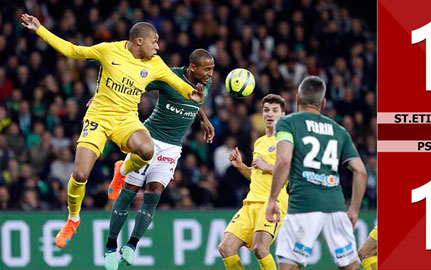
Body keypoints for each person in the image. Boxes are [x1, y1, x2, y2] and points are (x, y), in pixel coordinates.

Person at [20, 13, 204, 249]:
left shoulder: (155, 64)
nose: (158, 47)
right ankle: (73, 219)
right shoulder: (109, 51)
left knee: (147, 150)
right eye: (154, 41)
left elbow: (175, 82)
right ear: (139, 41)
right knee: (80, 175)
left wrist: (191, 94)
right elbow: (73, 51)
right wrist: (39, 29)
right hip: (98, 117)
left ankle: (123, 169)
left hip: (126, 120)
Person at [104, 49, 215, 270]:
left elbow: (194, 102)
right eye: (207, 69)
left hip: (172, 148)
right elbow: (136, 84)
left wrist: (204, 119)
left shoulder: (205, 82)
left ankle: (132, 245)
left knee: (153, 194)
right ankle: (109, 246)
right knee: (129, 192)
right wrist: (107, 98)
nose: (211, 74)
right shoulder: (168, 76)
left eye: (212, 69)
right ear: (192, 67)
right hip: (148, 139)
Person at [266, 76, 367, 270]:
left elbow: (284, 159)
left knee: (289, 265)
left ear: (297, 99)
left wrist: (272, 199)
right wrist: (353, 210)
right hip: (336, 206)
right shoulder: (339, 131)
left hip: (303, 205)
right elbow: (360, 171)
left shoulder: (287, 123)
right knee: (351, 266)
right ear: (323, 103)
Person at [218, 94, 288, 270]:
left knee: (260, 248)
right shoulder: (259, 142)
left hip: (273, 201)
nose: (270, 114)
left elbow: (292, 173)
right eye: (266, 110)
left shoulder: (286, 140)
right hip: (251, 202)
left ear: (283, 114)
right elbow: (256, 176)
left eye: (275, 110)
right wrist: (241, 166)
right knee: (226, 248)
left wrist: (268, 166)